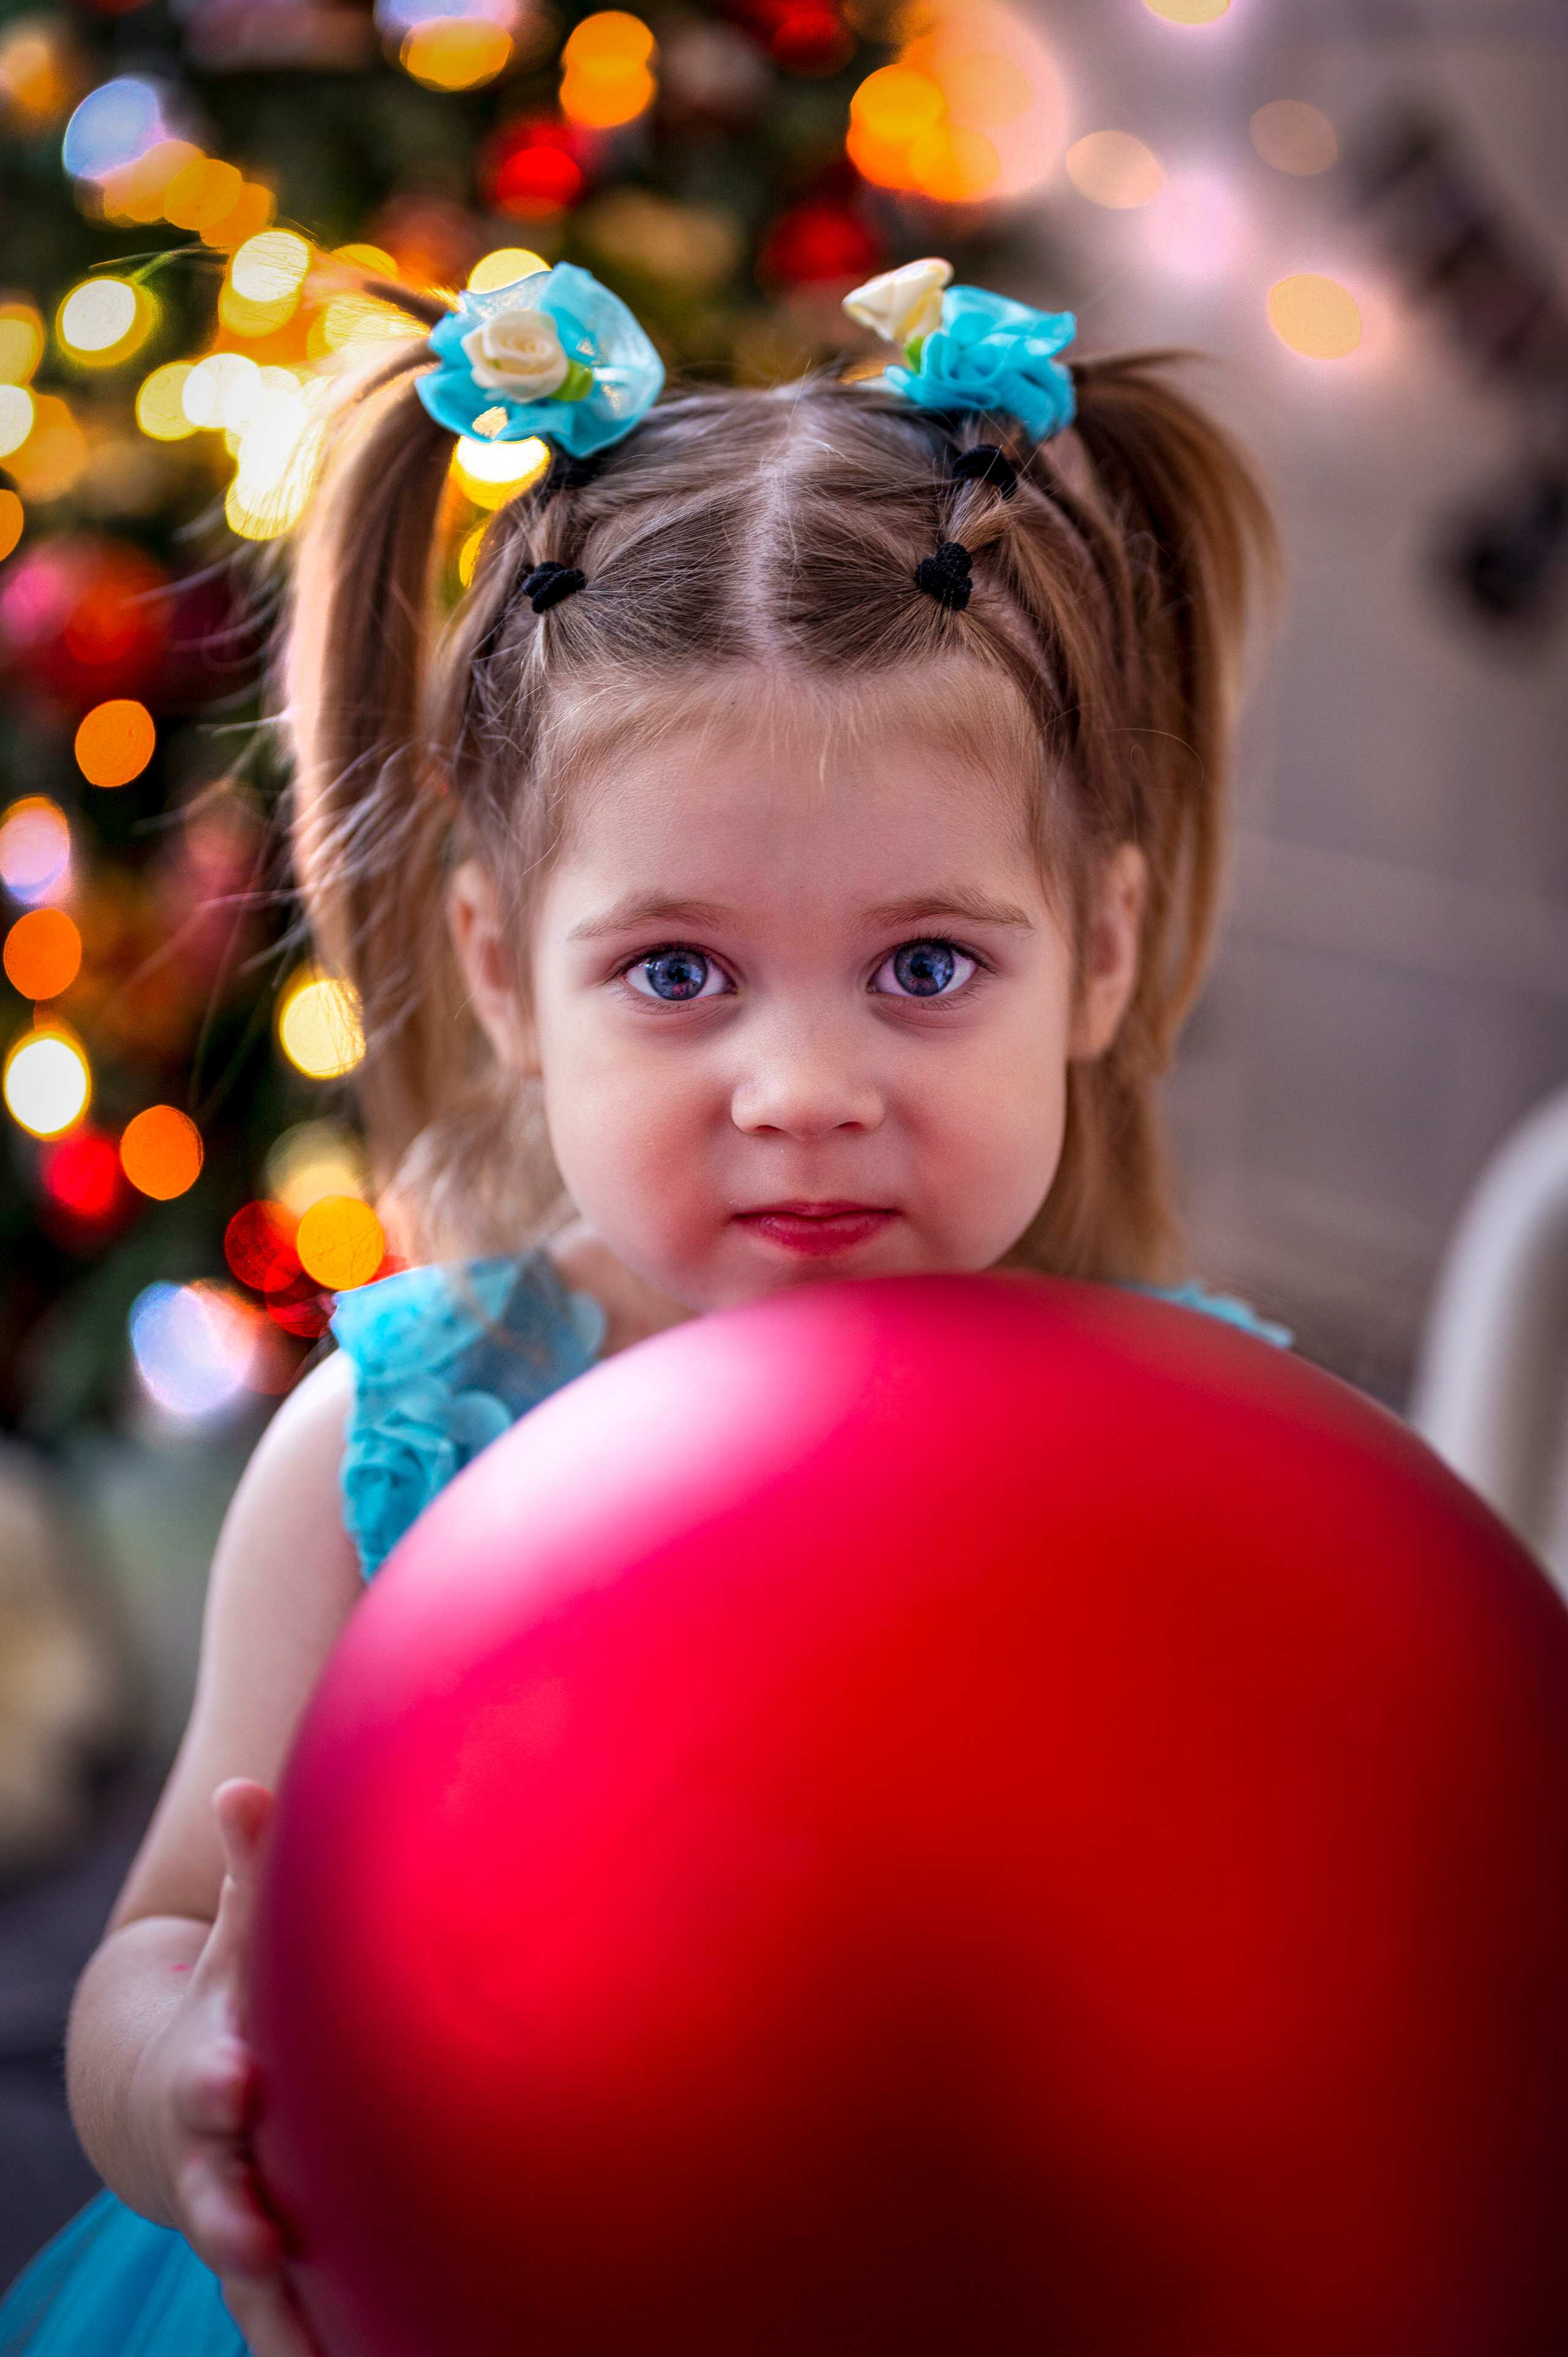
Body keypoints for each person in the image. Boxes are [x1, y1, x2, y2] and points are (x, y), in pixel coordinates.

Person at [0, 255, 1284, 2357]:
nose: (802, 1091)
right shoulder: (392, 1444)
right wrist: (191, 2085)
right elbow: (147, 1951)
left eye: (929, 966)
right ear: (506, 972)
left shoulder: (1205, 1468)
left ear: (1105, 954)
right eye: (679, 972)